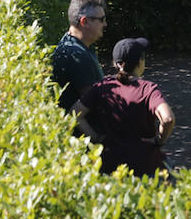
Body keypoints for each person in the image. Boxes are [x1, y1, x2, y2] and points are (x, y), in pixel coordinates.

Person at [72, 38, 176, 177]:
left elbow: (75, 112)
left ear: (115, 64)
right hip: (144, 163)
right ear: (140, 62)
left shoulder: (103, 85)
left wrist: (96, 138)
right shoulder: (148, 89)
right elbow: (168, 119)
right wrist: (159, 141)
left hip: (110, 164)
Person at [52, 0, 107, 113]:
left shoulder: (75, 43)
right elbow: (96, 103)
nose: (105, 24)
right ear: (84, 22)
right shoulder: (77, 56)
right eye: (101, 19)